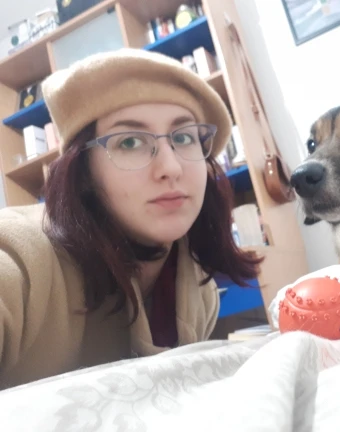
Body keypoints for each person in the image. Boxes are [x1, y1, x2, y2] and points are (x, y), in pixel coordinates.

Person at [0, 48, 262, 389]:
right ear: (83, 173)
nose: (170, 167)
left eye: (184, 137)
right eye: (130, 142)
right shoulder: (21, 263)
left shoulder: (200, 295)